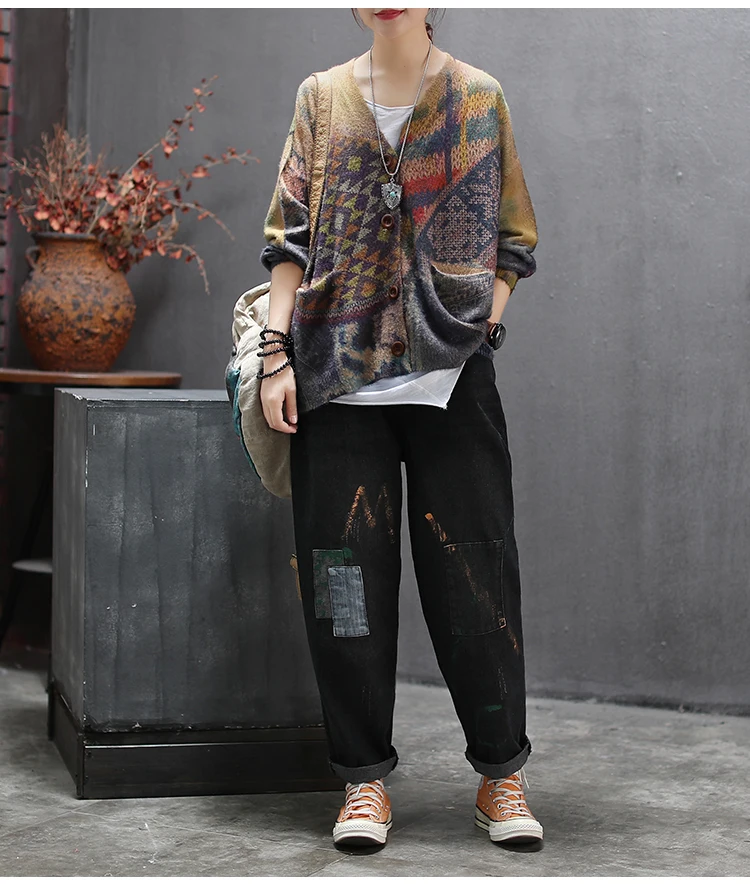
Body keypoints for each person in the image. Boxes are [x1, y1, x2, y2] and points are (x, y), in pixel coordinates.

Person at [257, 7, 541, 849]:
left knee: (478, 579)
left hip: (451, 384)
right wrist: (275, 354)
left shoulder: (478, 98)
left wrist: (479, 327)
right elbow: (288, 238)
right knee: (343, 590)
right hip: (335, 385)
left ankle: (501, 773)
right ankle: (362, 782)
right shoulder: (320, 99)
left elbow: (514, 239)